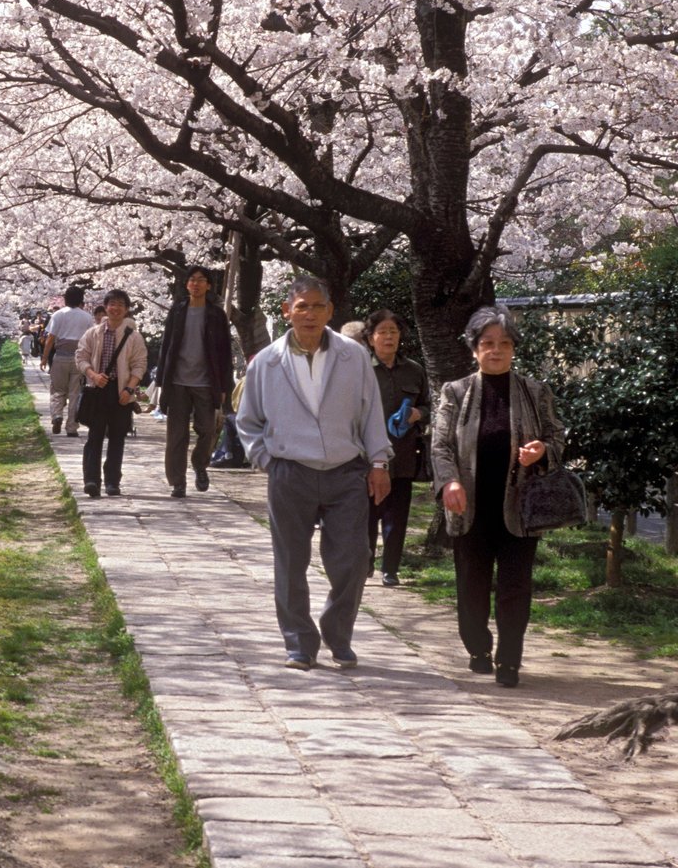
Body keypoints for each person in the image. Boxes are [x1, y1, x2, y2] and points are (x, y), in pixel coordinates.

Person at [236, 275, 391, 671]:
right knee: (290, 562)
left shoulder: (353, 356)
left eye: (317, 306)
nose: (309, 314)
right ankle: (299, 643)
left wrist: (378, 462)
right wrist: (267, 460)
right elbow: (248, 420)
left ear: (330, 311)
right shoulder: (267, 361)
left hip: (346, 471)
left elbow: (372, 412)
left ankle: (338, 634)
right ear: (287, 311)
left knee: (354, 559)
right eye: (301, 306)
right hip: (290, 472)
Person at [430, 305, 563, 688]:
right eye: (487, 343)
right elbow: (440, 446)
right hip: (470, 507)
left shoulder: (535, 391)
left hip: (520, 509)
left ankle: (510, 660)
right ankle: (477, 648)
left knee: (516, 587)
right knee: (471, 586)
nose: (496, 350)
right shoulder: (454, 392)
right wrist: (449, 482)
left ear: (513, 348)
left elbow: (557, 437)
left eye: (504, 343)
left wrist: (542, 451)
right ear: (474, 348)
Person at [156, 266, 235, 497]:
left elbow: (224, 353)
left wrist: (223, 386)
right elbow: (166, 345)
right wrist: (161, 380)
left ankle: (200, 465)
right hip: (178, 382)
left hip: (206, 382)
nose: (196, 284)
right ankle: (177, 482)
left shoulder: (216, 315)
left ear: (209, 285)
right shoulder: (178, 310)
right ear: (187, 284)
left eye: (201, 280)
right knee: (176, 435)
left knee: (208, 430)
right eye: (192, 280)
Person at [365, 309, 429, 587]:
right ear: (370, 338)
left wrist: (417, 414)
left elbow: (429, 405)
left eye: (393, 331)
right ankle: (364, 566)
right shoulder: (361, 370)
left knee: (397, 516)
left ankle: (390, 568)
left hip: (403, 454)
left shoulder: (414, 370)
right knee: (367, 514)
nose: (388, 337)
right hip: (367, 456)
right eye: (382, 331)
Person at [73, 289, 149, 498]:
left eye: (120, 305)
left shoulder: (134, 337)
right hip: (98, 390)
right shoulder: (93, 333)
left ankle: (112, 481)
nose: (116, 308)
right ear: (106, 307)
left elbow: (139, 365)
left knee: (118, 436)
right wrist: (93, 375)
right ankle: (91, 480)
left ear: (126, 310)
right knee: (94, 435)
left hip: (121, 391)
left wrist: (129, 388)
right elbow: (81, 357)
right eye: (112, 304)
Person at [39, 286, 91, 437]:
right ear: (81, 299)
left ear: (65, 298)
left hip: (60, 356)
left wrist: (44, 357)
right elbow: (90, 340)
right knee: (75, 393)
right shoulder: (87, 317)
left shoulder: (58, 314)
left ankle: (57, 415)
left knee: (57, 389)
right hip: (79, 358)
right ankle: (72, 427)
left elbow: (50, 338)